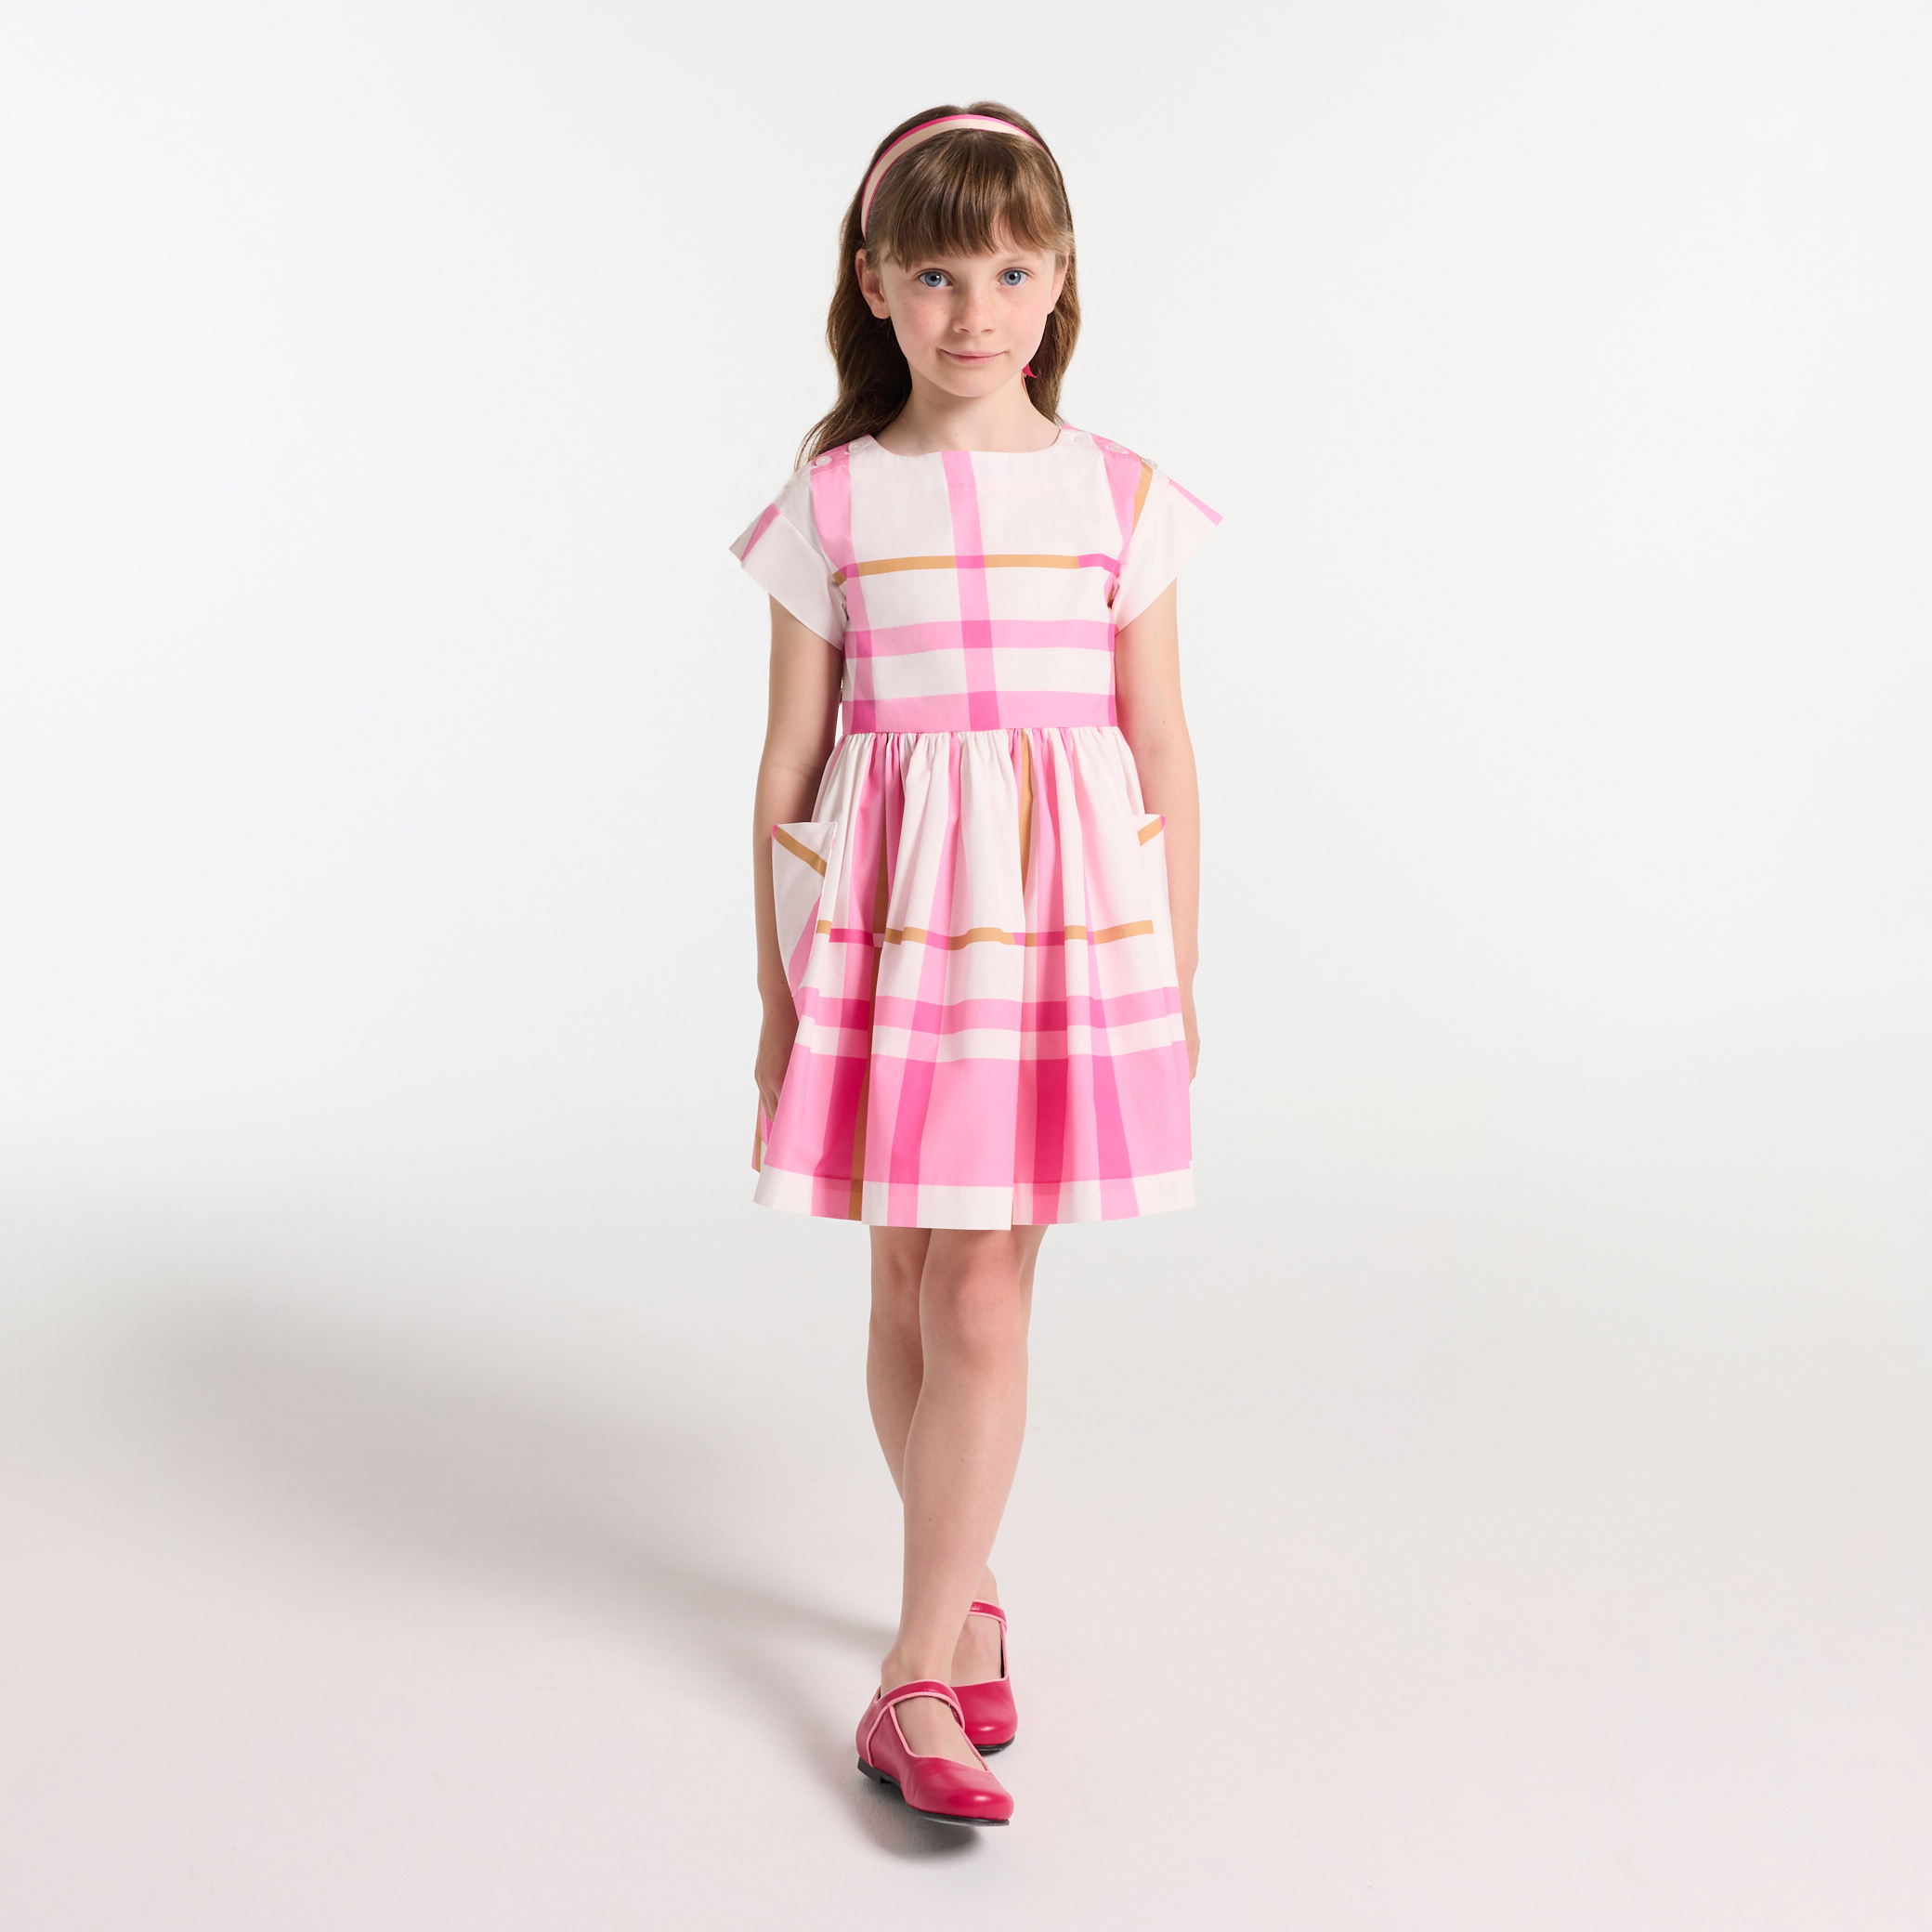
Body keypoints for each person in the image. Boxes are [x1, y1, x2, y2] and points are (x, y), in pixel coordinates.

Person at [734, 103, 1217, 1827]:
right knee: (901, 1295)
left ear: (1061, 276)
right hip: (882, 941)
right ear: (874, 284)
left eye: (1011, 271)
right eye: (935, 275)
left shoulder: (1119, 496)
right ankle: (972, 1591)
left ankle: (912, 1675)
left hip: (1058, 949)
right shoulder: (831, 503)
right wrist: (778, 1001)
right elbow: (789, 766)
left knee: (981, 1296)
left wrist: (1177, 975)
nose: (974, 310)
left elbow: (1162, 749)